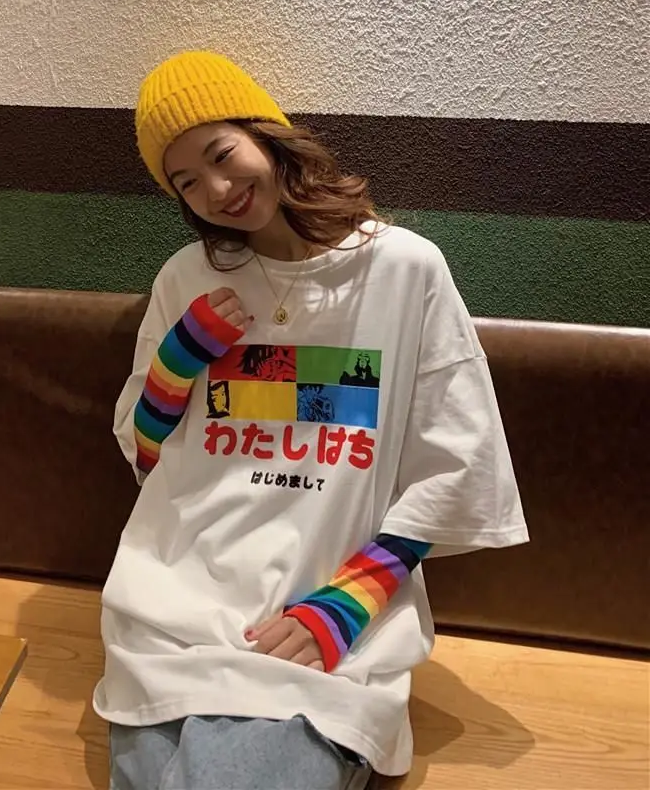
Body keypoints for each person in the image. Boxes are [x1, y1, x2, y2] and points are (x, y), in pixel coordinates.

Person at [93, 50, 528, 790]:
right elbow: (146, 453)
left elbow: (459, 464)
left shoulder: (405, 270)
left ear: (267, 137)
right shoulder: (185, 278)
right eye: (186, 181)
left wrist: (345, 605)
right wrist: (178, 360)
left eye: (222, 154)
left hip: (324, 618)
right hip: (172, 604)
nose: (216, 190)